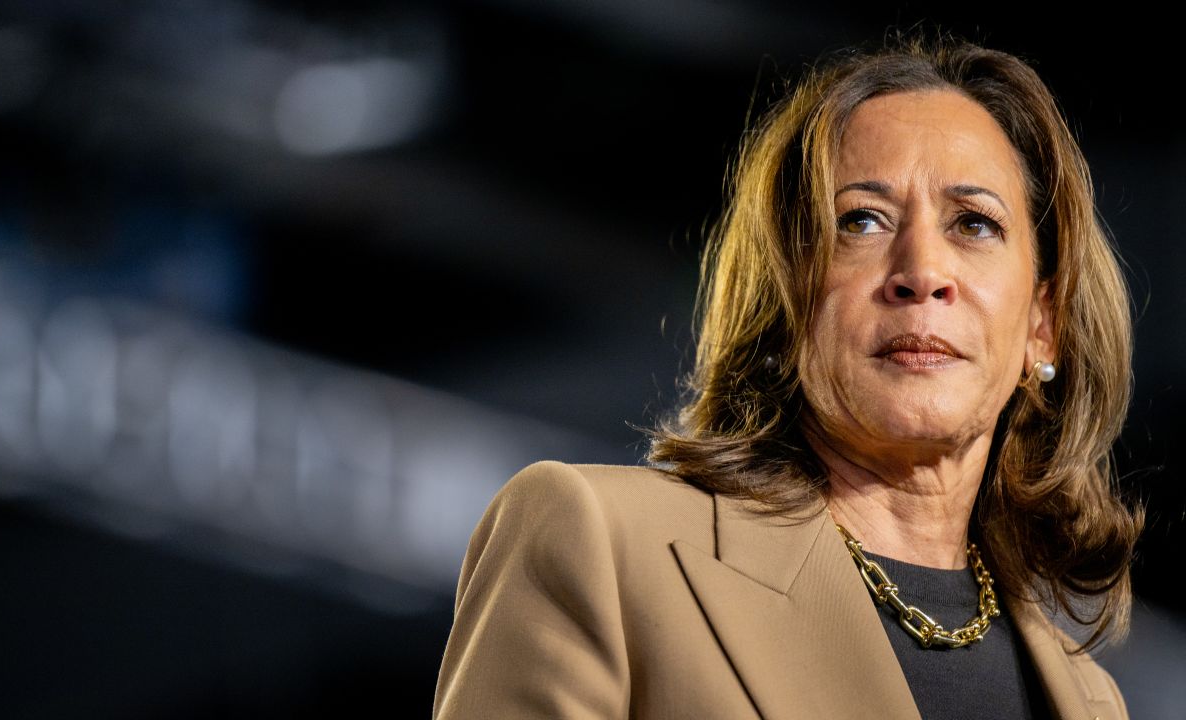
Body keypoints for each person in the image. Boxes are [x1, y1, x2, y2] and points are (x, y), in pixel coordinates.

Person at [433, 36, 1141, 720]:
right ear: (784, 300)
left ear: (1041, 325)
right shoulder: (597, 544)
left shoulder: (1093, 700)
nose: (923, 273)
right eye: (860, 220)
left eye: (974, 225)